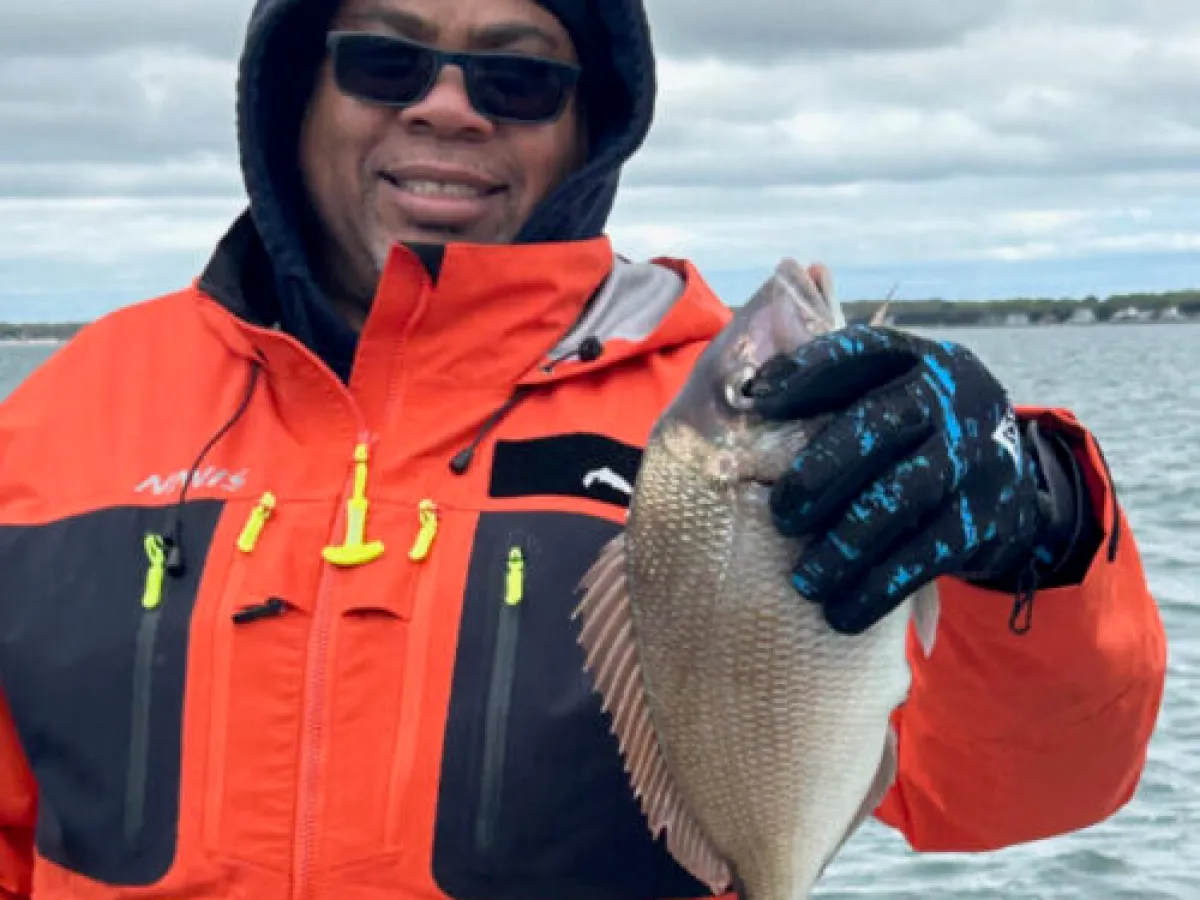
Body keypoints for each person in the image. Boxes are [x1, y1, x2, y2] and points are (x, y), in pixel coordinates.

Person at [0, 0, 1167, 897]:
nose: (448, 108)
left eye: (517, 75)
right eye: (386, 60)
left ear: (587, 121)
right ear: (293, 88)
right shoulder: (61, 415)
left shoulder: (774, 419)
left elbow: (1027, 787)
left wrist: (1042, 527)